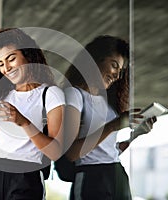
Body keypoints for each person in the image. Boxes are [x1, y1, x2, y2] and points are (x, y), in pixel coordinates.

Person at [0, 28, 65, 200]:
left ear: (28, 56)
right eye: (0, 64)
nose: (6, 68)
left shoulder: (51, 94)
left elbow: (55, 152)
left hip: (26, 177)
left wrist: (24, 122)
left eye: (11, 59)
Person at [64, 35, 157, 200]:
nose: (116, 75)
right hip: (92, 178)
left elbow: (107, 152)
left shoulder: (107, 103)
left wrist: (135, 135)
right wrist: (114, 125)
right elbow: (71, 153)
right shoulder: (74, 95)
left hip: (116, 175)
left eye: (120, 71)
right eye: (114, 65)